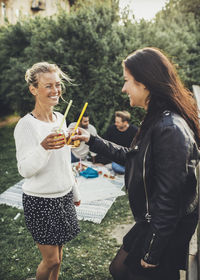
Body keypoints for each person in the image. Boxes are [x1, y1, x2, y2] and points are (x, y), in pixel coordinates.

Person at [71, 47, 200, 280]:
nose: (123, 88)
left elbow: (170, 199)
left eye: (126, 81)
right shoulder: (156, 119)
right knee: (118, 269)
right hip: (151, 221)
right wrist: (91, 140)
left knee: (130, 271)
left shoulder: (169, 128)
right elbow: (133, 157)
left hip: (164, 228)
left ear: (144, 83)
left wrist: (152, 252)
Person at [14, 62, 81, 280]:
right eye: (48, 86)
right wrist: (44, 147)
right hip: (40, 201)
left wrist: (75, 192)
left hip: (63, 196)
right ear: (33, 89)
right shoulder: (26, 125)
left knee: (59, 257)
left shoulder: (61, 119)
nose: (56, 91)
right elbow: (24, 170)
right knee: (50, 260)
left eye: (58, 85)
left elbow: (64, 163)